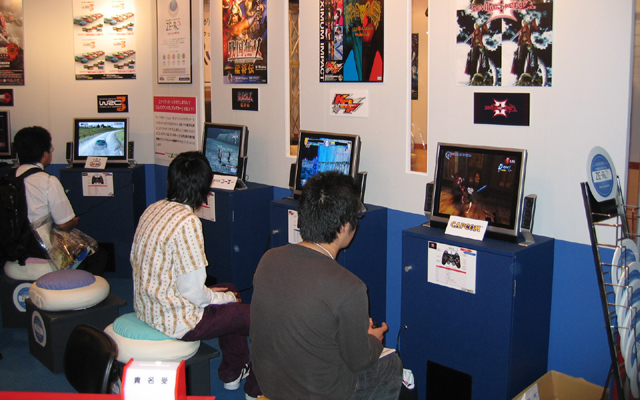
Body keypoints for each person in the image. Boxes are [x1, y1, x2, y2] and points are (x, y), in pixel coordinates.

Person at [250, 171, 403, 400]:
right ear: (343, 227)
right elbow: (359, 360)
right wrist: (373, 339)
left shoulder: (269, 259)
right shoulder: (350, 287)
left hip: (271, 385)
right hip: (321, 394)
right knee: (391, 363)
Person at [130, 151, 262, 400]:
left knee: (229, 289)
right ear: (204, 188)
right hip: (178, 320)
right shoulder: (187, 222)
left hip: (148, 307)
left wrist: (223, 296)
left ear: (170, 181)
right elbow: (194, 293)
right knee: (260, 318)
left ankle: (232, 372)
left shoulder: (153, 209)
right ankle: (256, 389)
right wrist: (225, 299)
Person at [11, 126, 107, 275]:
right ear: (45, 154)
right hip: (42, 252)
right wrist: (74, 221)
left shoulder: (7, 179)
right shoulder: (48, 181)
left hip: (12, 251)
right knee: (98, 255)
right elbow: (64, 224)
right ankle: (75, 287)